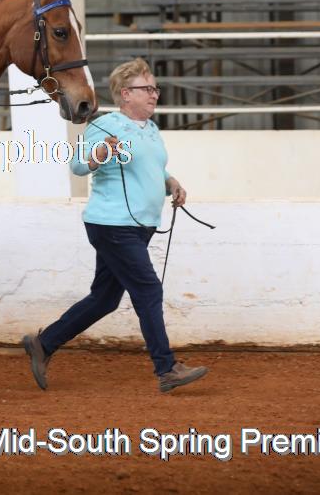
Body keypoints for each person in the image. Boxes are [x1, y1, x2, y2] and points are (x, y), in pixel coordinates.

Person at [22, 57, 208, 393]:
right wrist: (99, 156)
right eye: (146, 88)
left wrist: (171, 182)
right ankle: (166, 368)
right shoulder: (105, 126)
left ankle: (44, 343)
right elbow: (79, 165)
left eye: (155, 89)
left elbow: (152, 167)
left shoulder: (150, 129)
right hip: (112, 225)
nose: (154, 94)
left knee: (105, 299)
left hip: (138, 226)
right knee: (148, 289)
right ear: (125, 94)